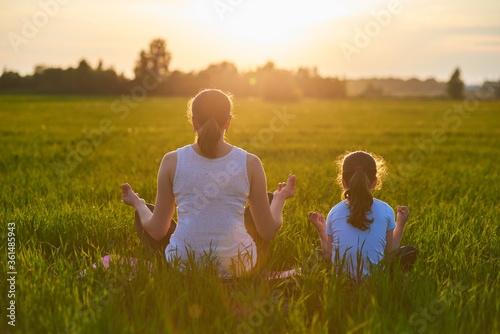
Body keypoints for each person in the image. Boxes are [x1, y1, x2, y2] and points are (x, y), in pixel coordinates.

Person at [121, 89, 296, 276]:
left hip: (183, 265)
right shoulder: (251, 163)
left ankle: (165, 266)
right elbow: (267, 231)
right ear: (228, 122)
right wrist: (280, 199)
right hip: (240, 267)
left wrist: (138, 205)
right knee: (266, 201)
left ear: (194, 122)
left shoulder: (171, 161)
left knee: (148, 211)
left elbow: (157, 231)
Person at [308, 151, 418, 281]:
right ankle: (401, 282)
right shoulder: (386, 209)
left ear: (343, 182)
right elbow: (390, 256)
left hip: (342, 283)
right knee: (409, 251)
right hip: (375, 283)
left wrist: (321, 230)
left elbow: (328, 256)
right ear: (375, 182)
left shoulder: (335, 211)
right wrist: (400, 225)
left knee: (317, 255)